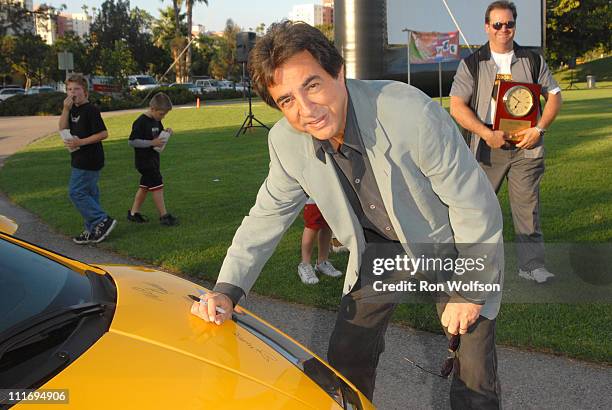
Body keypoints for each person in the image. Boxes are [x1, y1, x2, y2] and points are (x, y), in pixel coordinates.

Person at [191, 21, 504, 408]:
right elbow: (266, 217)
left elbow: (475, 205)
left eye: (312, 85)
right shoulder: (286, 143)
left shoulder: (410, 114)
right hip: (378, 253)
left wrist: (469, 289)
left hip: (450, 244)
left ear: (338, 71)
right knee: (345, 359)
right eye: (287, 100)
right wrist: (227, 289)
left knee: (474, 374)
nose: (307, 110)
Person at [450, 1, 562, 284]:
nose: (503, 29)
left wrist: (538, 129)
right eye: (497, 24)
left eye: (509, 24)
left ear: (515, 25)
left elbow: (555, 97)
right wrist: (486, 133)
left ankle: (531, 266)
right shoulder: (472, 63)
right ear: (487, 27)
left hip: (527, 144)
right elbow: (456, 105)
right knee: (479, 209)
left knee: (528, 209)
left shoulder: (532, 60)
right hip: (488, 145)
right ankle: (476, 264)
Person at [59, 73, 116, 244]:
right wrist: (65, 109)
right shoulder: (71, 110)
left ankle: (101, 220)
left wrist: (81, 142)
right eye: (69, 89)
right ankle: (92, 230)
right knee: (90, 194)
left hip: (90, 158)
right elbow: (62, 127)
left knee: (76, 192)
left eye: (76, 89)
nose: (72, 93)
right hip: (78, 157)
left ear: (85, 92)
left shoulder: (91, 110)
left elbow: (103, 133)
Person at [127, 92, 179, 226]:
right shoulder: (140, 122)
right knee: (157, 186)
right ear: (152, 109)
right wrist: (151, 143)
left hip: (154, 159)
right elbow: (132, 141)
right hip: (144, 161)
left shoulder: (157, 120)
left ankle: (133, 213)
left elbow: (157, 137)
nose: (162, 117)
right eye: (161, 114)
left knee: (145, 186)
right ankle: (164, 216)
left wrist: (166, 133)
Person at [298, 197, 342, 284]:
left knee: (328, 223)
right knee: (312, 224)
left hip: (329, 192)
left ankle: (322, 262)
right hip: (314, 193)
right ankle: (305, 264)